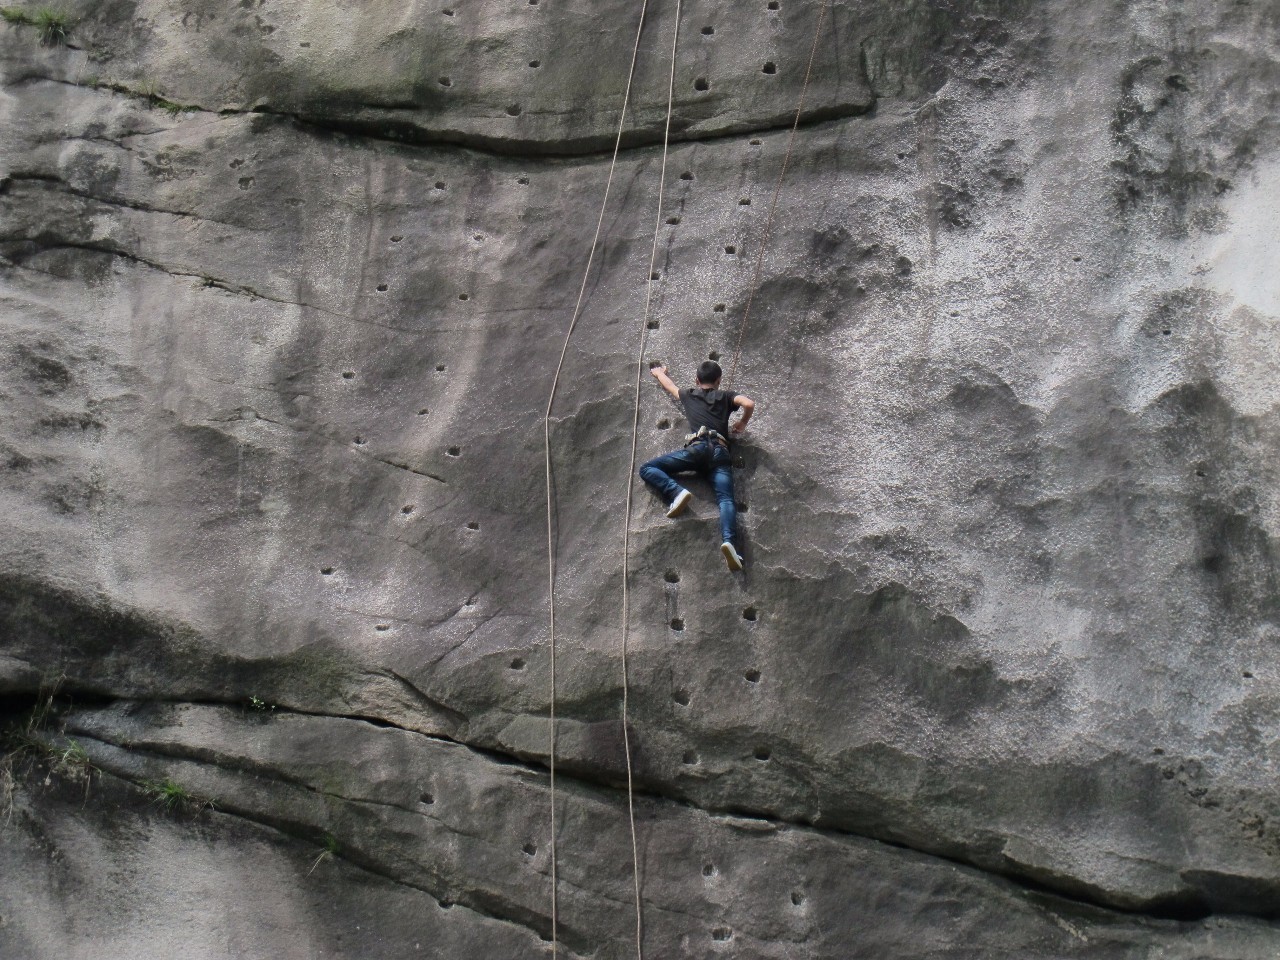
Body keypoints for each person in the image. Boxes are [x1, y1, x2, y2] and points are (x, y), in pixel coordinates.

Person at [639, 360, 755, 571]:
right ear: (718, 381)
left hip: (697, 448)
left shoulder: (689, 394)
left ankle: (676, 492)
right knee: (726, 500)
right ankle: (729, 542)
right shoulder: (726, 396)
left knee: (647, 468)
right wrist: (742, 422)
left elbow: (670, 387)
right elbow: (748, 404)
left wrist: (659, 373)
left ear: (697, 380)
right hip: (720, 452)